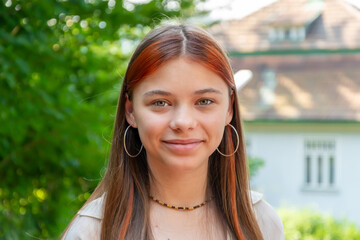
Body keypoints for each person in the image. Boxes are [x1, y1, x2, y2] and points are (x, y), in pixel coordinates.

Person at [61, 24, 284, 240]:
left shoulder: (262, 224)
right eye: (160, 103)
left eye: (204, 101)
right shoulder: (92, 232)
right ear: (131, 111)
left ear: (229, 108)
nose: (183, 122)